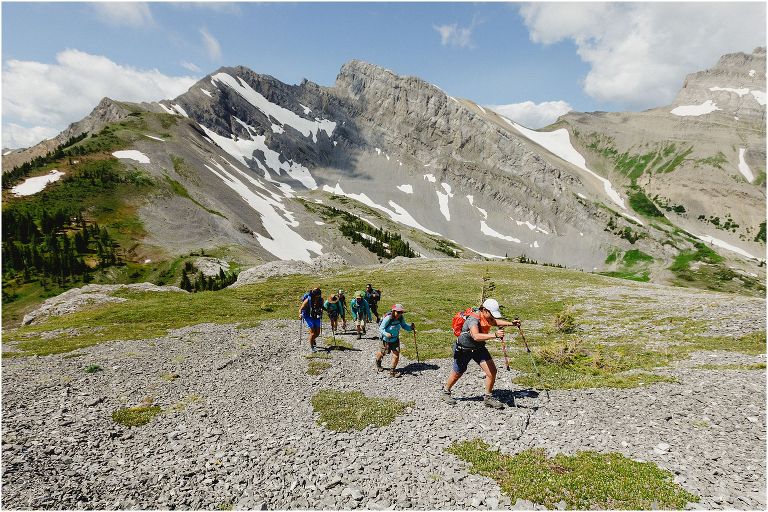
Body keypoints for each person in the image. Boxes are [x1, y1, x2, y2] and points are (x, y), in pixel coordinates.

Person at [440, 298, 521, 409]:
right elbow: (476, 336)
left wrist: (511, 324)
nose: (492, 316)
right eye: (491, 314)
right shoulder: (473, 320)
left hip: (478, 348)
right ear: (484, 310)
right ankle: (446, 392)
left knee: (492, 371)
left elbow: (494, 322)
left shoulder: (487, 316)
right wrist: (495, 335)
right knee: (457, 373)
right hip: (464, 349)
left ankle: (488, 398)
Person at [375, 304, 415, 378]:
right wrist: (386, 334)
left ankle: (392, 371)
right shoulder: (388, 318)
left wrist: (410, 328)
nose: (399, 314)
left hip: (395, 339)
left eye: (401, 312)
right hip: (385, 340)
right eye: (398, 312)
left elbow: (404, 325)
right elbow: (381, 328)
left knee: (396, 354)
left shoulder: (400, 318)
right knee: (382, 353)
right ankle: (378, 362)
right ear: (394, 311)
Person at [299, 287, 324, 352]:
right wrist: (300, 314)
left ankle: (312, 339)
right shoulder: (308, 299)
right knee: (313, 333)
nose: (318, 297)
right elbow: (301, 308)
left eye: (319, 295)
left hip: (316, 316)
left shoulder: (321, 299)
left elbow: (322, 307)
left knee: (317, 333)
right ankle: (312, 347)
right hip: (308, 316)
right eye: (317, 295)